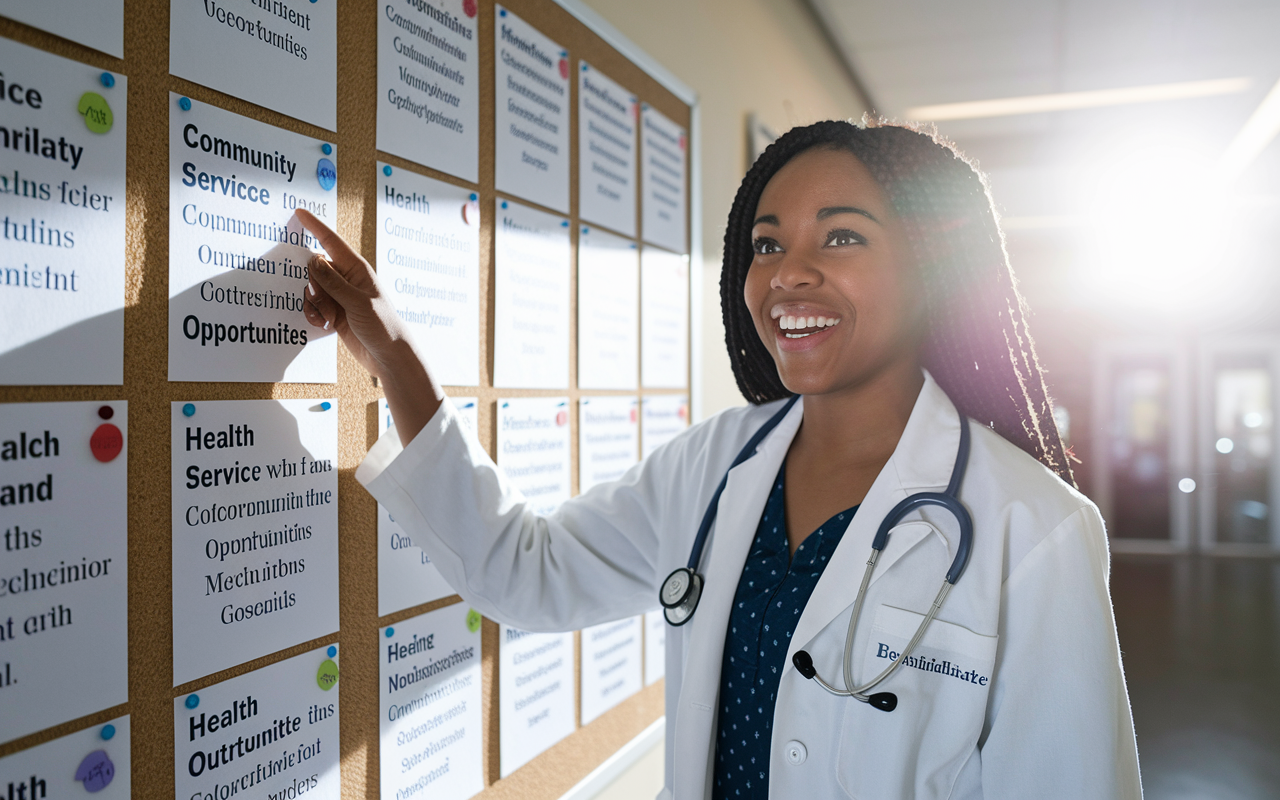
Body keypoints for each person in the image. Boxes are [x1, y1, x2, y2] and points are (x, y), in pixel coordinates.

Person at [296, 118, 1142, 799]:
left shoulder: (1035, 530)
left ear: (931, 269)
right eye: (767, 245)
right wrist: (397, 358)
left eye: (841, 238)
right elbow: (526, 573)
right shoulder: (717, 465)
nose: (788, 276)